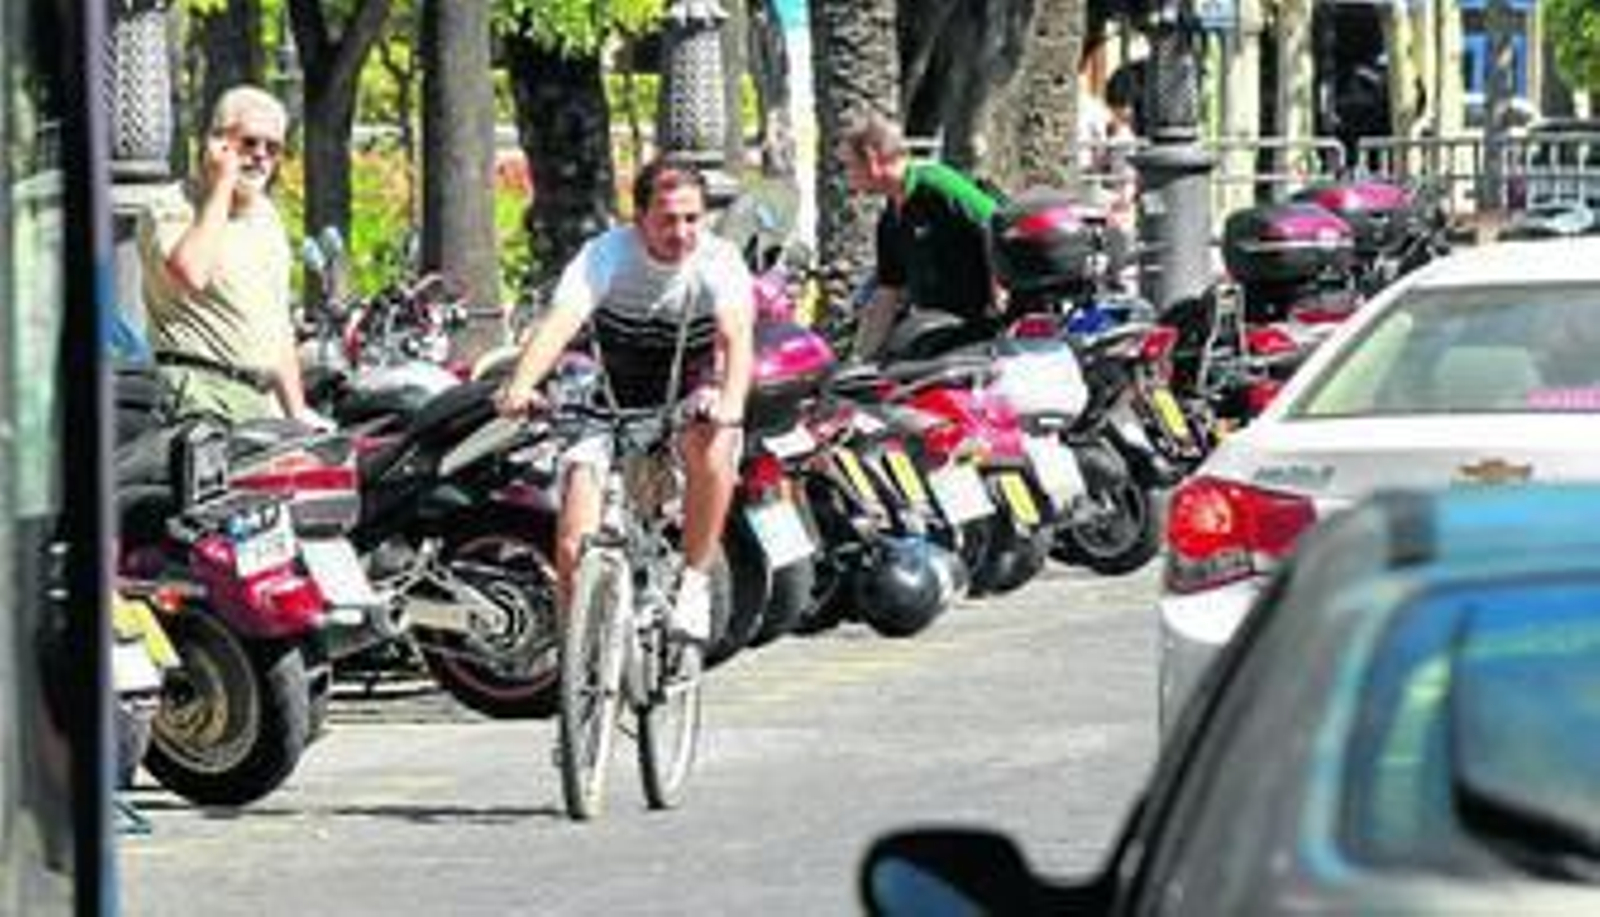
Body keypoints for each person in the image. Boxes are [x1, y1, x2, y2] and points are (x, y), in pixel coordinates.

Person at [494, 157, 754, 646]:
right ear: (638, 220)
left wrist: (732, 404)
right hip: (608, 402)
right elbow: (561, 321)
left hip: (686, 397)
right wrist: (520, 385)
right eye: (667, 220)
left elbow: (735, 337)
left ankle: (694, 582)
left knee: (714, 444)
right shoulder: (605, 254)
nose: (681, 233)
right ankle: (584, 667)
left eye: (692, 219)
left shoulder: (720, 261)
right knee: (574, 541)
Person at [138, 84, 328, 427]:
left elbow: (277, 325)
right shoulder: (171, 205)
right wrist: (222, 184)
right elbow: (191, 272)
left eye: (273, 148)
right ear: (217, 142)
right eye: (250, 142)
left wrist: (296, 411)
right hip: (198, 394)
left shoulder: (266, 217)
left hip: (258, 402)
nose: (261, 156)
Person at [836, 113, 1001, 359]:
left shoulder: (939, 185)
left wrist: (999, 296)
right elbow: (887, 294)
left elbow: (997, 224)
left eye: (848, 166)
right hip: (937, 336)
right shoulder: (891, 218)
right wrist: (859, 360)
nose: (845, 176)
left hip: (979, 336)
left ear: (872, 159)